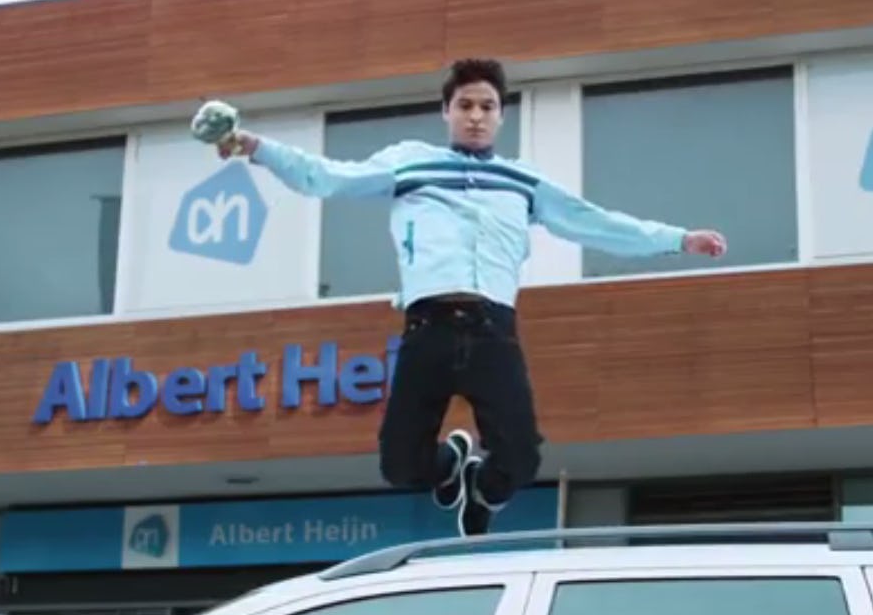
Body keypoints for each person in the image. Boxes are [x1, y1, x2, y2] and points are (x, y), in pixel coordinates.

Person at [201, 58, 727, 536]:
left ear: (501, 116)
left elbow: (594, 222)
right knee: (400, 467)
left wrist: (677, 239)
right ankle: (451, 463)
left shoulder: (522, 180)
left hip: (493, 331)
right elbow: (327, 177)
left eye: (487, 107)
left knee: (521, 457)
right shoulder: (409, 164)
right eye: (465, 106)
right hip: (427, 328)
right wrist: (255, 147)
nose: (476, 117)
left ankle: (484, 491)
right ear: (446, 111)